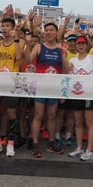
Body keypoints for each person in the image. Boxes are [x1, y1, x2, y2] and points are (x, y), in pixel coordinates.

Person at [25, 19, 67, 157]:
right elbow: (27, 60)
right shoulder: (39, 47)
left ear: (56, 33)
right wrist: (27, 44)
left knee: (52, 116)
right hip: (40, 87)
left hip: (54, 88)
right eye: (46, 30)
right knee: (38, 115)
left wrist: (63, 91)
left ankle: (51, 142)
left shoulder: (61, 50)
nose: (48, 32)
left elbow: (64, 70)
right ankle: (35, 144)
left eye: (51, 30)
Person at [0, 12, 24, 157]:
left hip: (13, 82)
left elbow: (19, 57)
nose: (4, 28)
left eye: (7, 26)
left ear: (13, 28)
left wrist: (16, 39)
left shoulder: (19, 42)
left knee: (11, 113)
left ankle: (10, 143)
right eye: (3, 26)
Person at [66, 36, 93, 161]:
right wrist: (61, 52)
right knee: (78, 122)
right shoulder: (73, 59)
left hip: (89, 93)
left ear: (86, 45)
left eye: (83, 43)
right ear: (76, 46)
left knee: (89, 123)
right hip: (77, 93)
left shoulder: (92, 58)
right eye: (79, 43)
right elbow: (66, 65)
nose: (81, 45)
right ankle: (79, 147)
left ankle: (89, 150)